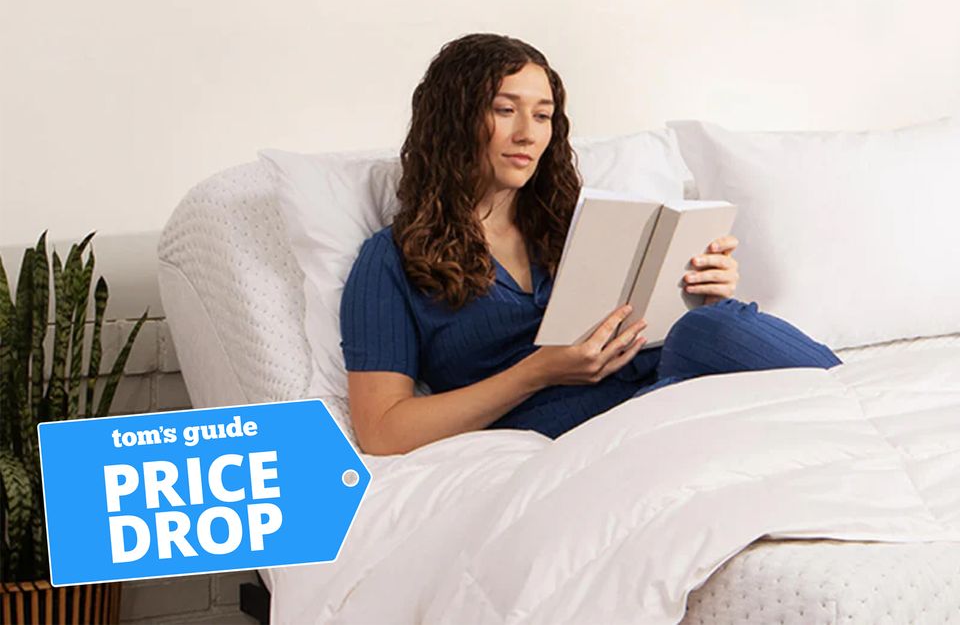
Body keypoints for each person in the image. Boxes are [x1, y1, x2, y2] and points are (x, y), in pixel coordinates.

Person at [340, 33, 841, 456]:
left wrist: (698, 292)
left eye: (542, 116)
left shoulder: (570, 224)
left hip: (649, 375)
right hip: (554, 417)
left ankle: (852, 402)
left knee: (708, 325)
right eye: (504, 110)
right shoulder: (391, 259)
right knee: (711, 359)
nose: (527, 134)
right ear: (453, 122)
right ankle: (830, 409)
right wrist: (536, 372)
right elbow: (382, 431)